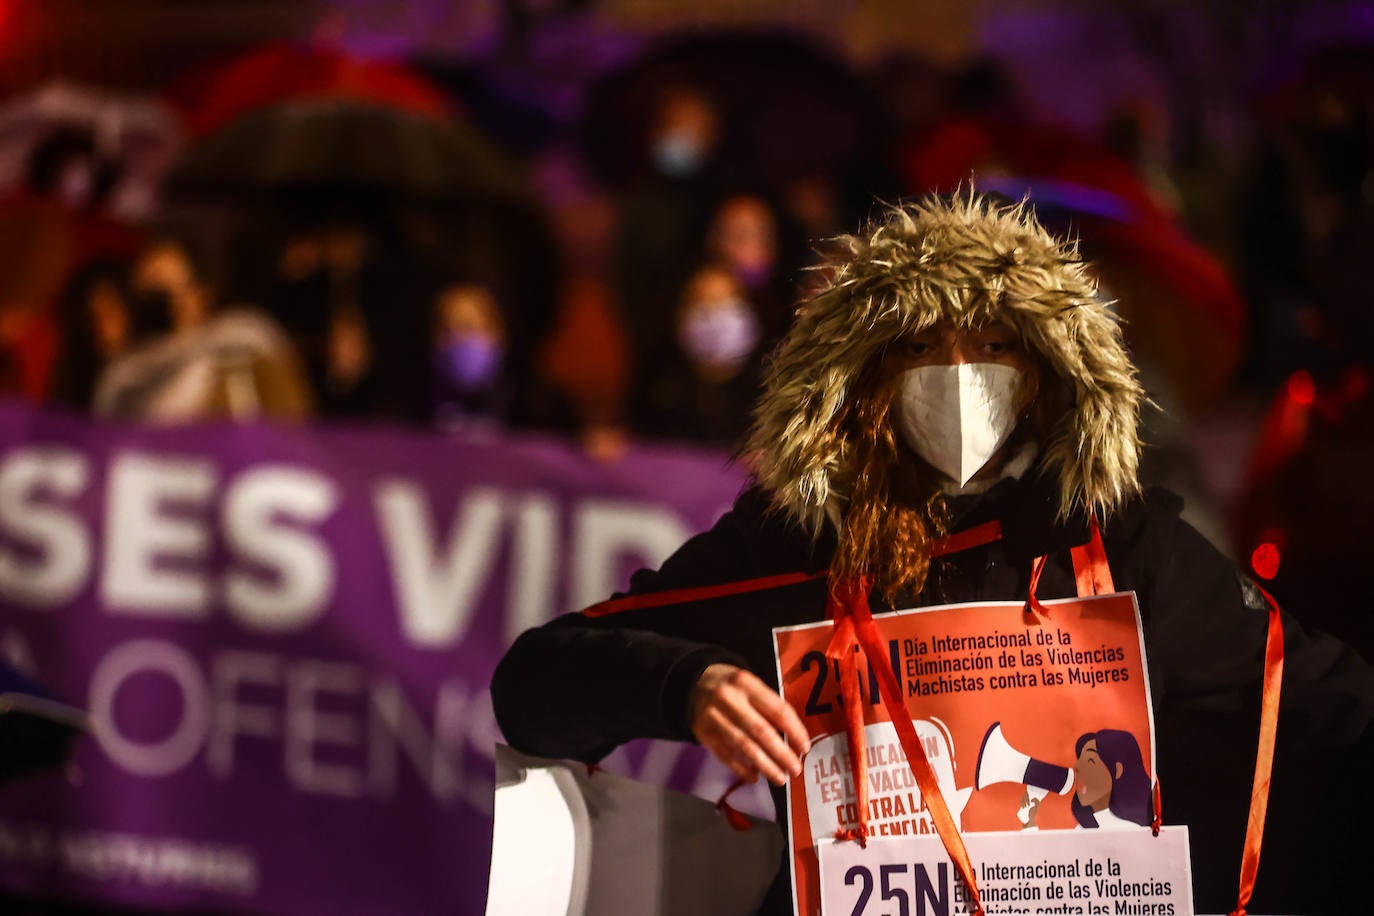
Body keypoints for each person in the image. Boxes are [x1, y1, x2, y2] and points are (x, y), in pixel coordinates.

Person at [491, 193, 1374, 913]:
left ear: (1040, 372)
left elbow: (1327, 715)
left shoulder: (1121, 548)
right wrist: (684, 684)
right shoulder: (802, 545)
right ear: (867, 374)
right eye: (919, 347)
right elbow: (535, 685)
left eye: (992, 345)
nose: (959, 375)